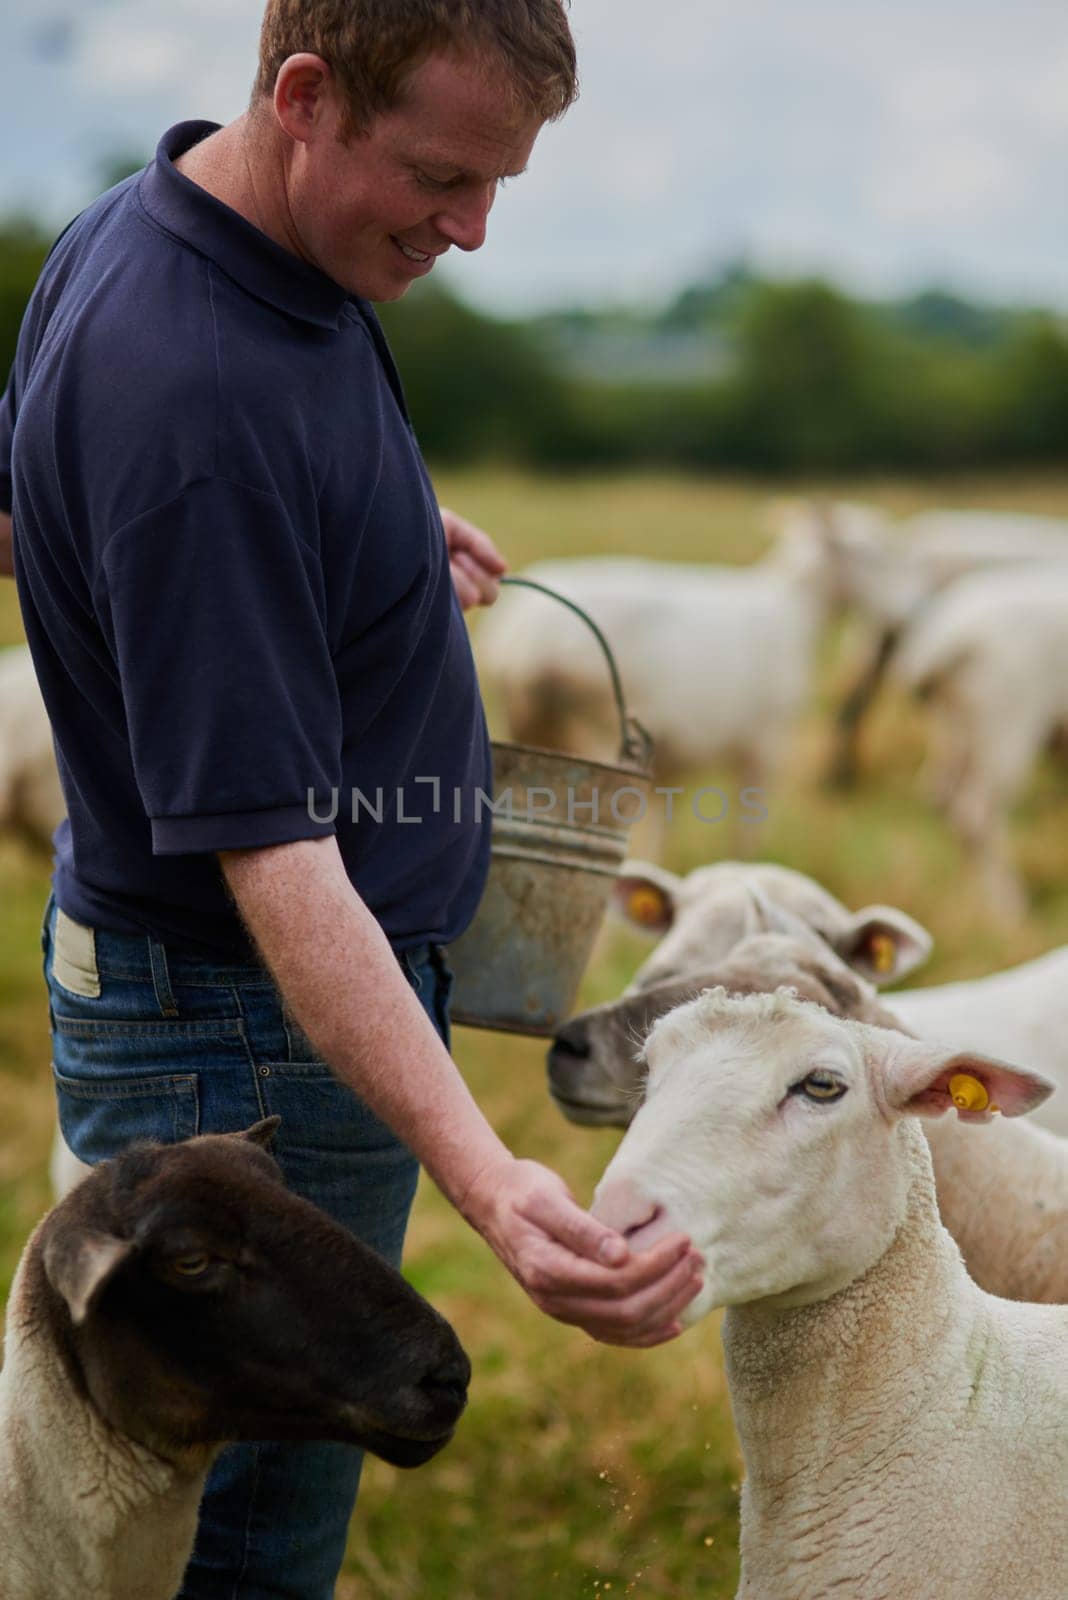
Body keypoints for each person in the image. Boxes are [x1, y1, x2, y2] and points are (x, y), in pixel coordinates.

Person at [0, 3, 703, 1596]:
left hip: (242, 1001)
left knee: (233, 1493)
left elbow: (31, 485)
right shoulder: (195, 387)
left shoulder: (182, 222)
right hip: (250, 1029)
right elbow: (278, 862)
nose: (471, 228)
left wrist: (365, 536)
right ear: (304, 95)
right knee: (237, 1523)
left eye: (501, 183)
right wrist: (493, 1178)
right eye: (443, 176)